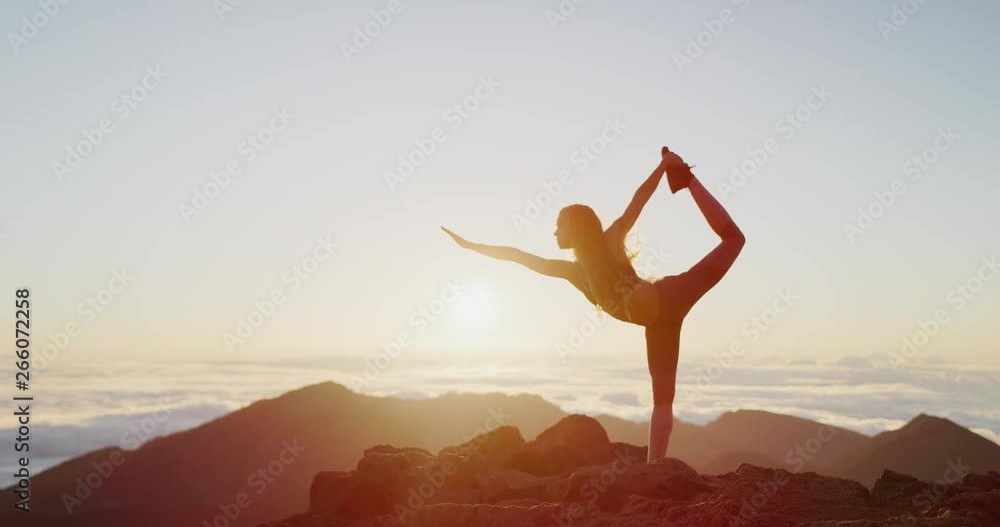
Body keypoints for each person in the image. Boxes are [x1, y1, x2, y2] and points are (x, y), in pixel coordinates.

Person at [442, 147, 745, 461]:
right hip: (658, 325)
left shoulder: (610, 242)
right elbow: (521, 257)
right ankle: (655, 467)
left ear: (575, 227)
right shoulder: (574, 273)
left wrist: (663, 166)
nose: (555, 231)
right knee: (663, 400)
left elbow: (639, 199)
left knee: (734, 240)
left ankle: (687, 180)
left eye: (560, 225)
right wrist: (472, 246)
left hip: (674, 295)